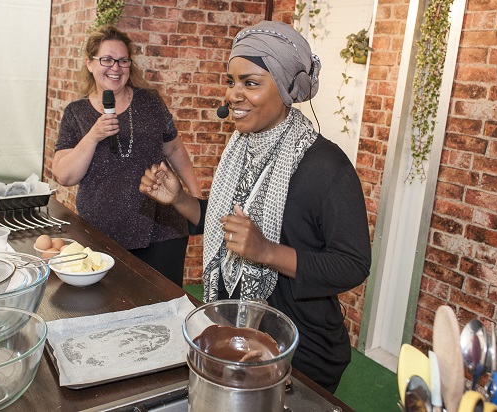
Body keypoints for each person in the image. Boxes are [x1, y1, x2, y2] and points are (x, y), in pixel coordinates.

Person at [139, 21, 371, 392]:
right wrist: (180, 199)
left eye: (250, 83)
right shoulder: (239, 149)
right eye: (231, 82)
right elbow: (225, 228)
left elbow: (353, 265)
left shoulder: (327, 167)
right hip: (232, 334)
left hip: (298, 351)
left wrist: (267, 251)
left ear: (284, 88)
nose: (233, 95)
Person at [52, 25, 201, 287]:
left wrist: (197, 197)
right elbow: (64, 175)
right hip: (102, 230)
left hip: (160, 226)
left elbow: (175, 149)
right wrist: (93, 135)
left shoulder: (150, 101)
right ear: (89, 63)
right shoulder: (76, 113)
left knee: (162, 303)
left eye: (123, 61)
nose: (115, 68)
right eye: (106, 60)